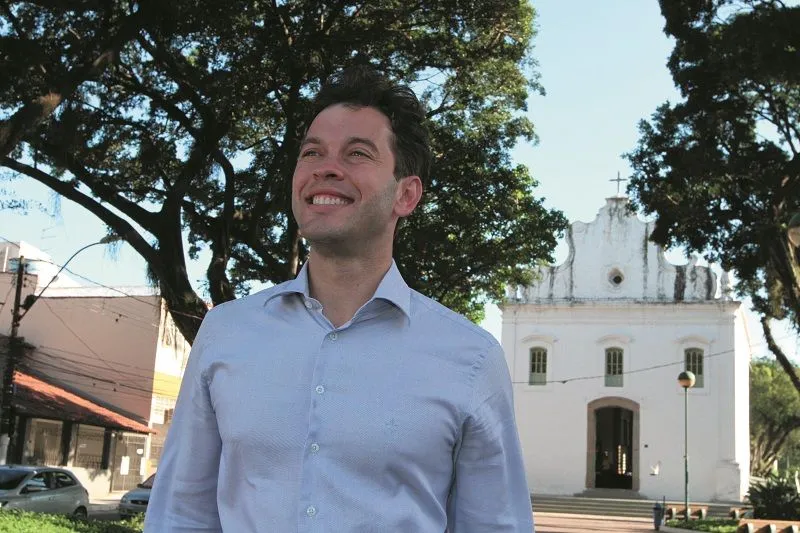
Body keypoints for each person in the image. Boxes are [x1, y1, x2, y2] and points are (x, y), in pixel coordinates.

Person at [144, 66, 534, 532]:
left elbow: (496, 525)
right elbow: (181, 514)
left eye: (357, 153)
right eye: (312, 152)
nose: (325, 167)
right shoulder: (226, 332)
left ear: (405, 195)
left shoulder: (471, 358)